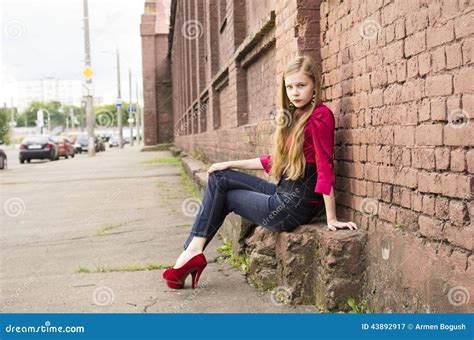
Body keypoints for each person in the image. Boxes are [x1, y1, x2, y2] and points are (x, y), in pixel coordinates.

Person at [162, 55, 358, 289]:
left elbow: (325, 167)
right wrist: (230, 163)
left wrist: (332, 218)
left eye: (301, 86)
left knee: (226, 196)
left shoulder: (320, 115)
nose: (295, 92)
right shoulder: (294, 115)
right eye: (290, 87)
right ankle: (192, 253)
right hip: (284, 194)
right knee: (220, 177)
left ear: (315, 84)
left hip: (291, 208)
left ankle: (190, 254)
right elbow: (274, 160)